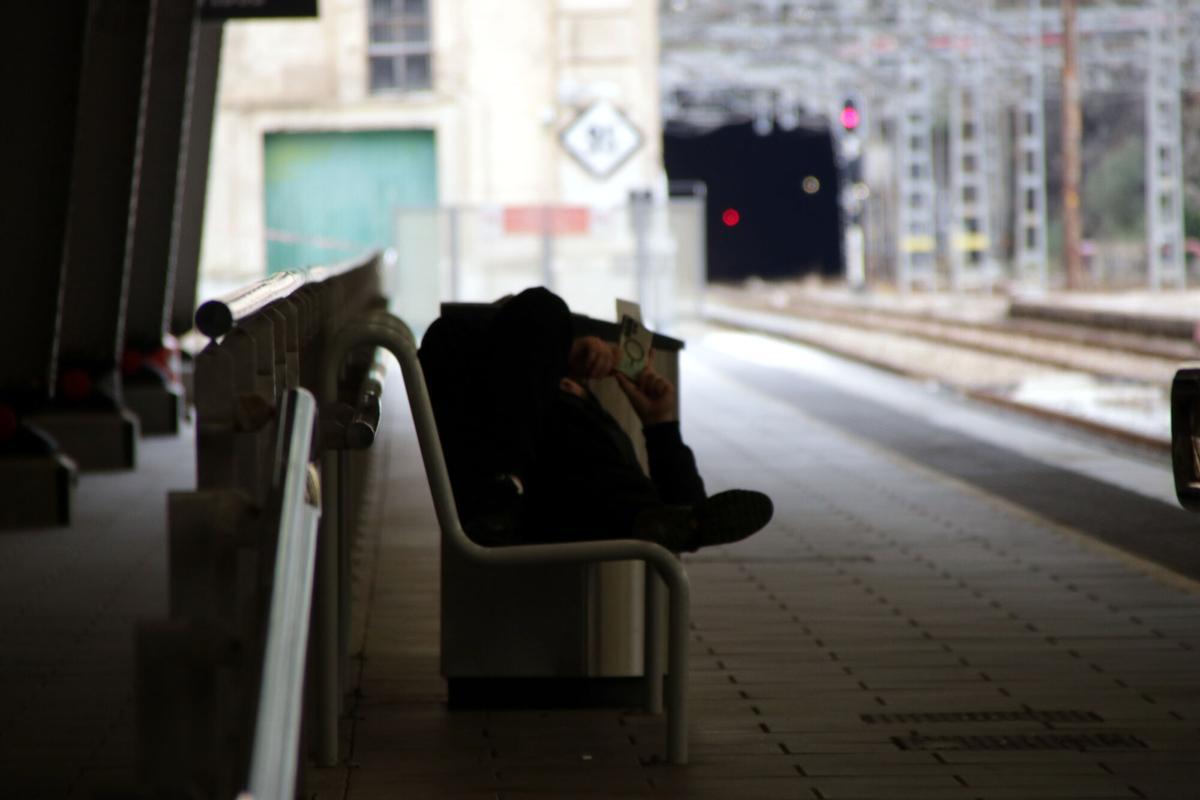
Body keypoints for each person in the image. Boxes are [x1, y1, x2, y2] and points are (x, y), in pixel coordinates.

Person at [418, 287, 772, 552]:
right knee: (542, 305)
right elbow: (512, 325)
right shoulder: (476, 376)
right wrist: (567, 352)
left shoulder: (576, 405)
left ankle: (648, 521)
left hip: (595, 516)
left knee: (669, 516)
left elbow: (691, 510)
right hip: (518, 505)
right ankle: (643, 520)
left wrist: (660, 424)